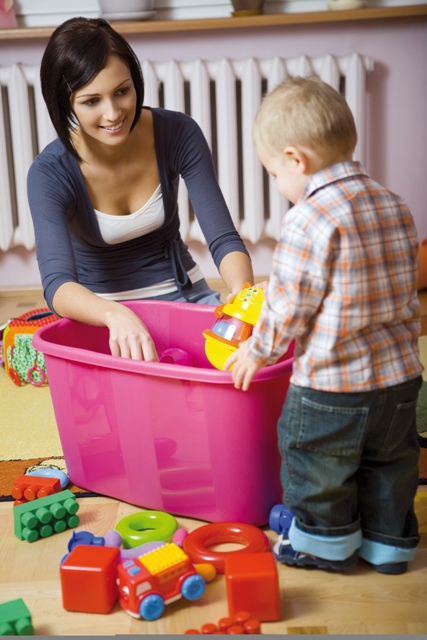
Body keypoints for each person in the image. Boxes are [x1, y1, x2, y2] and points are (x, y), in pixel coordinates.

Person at [225, 77, 423, 574]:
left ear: (296, 160)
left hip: (332, 385)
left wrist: (259, 351)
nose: (279, 185)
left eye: (273, 173)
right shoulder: (395, 204)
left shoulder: (307, 218)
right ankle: (389, 546)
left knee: (317, 460)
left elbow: (289, 304)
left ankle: (324, 543)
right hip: (400, 379)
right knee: (390, 465)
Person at [27, 17, 253, 362]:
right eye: (91, 101)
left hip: (185, 297)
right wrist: (114, 314)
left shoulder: (178, 133)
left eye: (122, 91)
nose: (113, 113)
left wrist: (242, 297)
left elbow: (223, 238)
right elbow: (58, 284)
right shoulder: (49, 172)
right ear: (66, 103)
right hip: (103, 317)